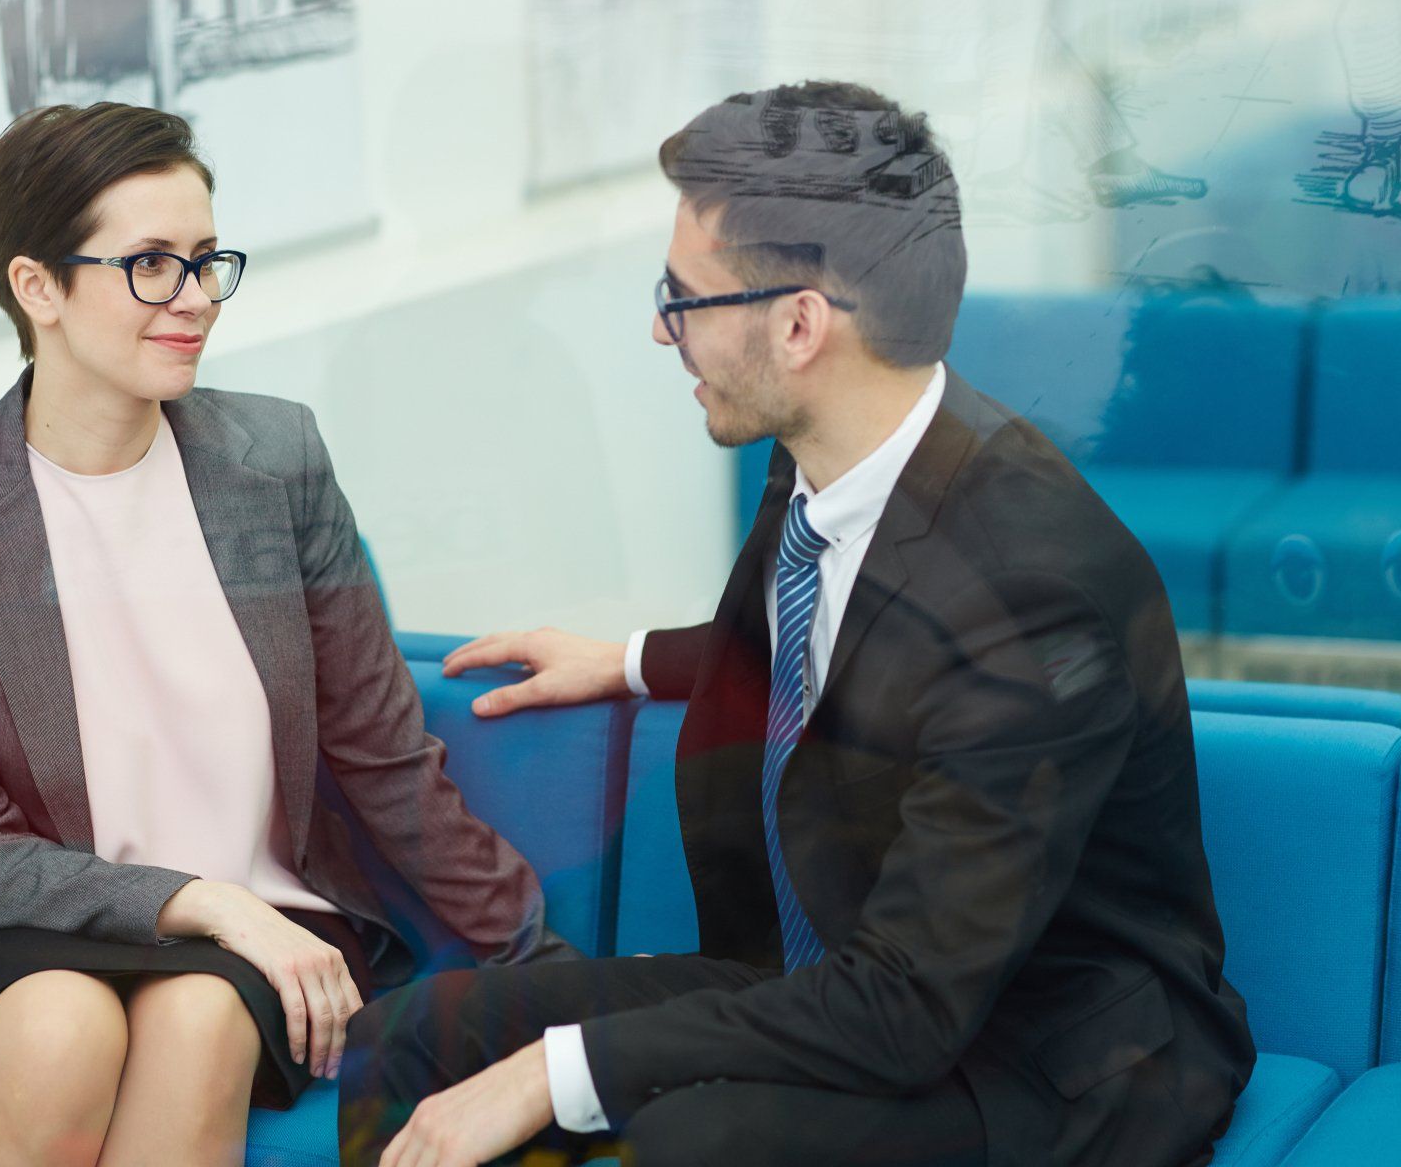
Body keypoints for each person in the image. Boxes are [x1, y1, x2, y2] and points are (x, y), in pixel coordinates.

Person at [336, 81, 1255, 1167]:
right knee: (405, 1039)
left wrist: (554, 1071)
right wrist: (633, 660)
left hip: (1042, 1046)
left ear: (800, 323)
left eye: (683, 298)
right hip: (836, 978)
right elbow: (849, 630)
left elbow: (909, 1005)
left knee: (682, 1138)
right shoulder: (826, 448)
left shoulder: (1032, 585)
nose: (659, 327)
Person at [0, 101, 572, 1167]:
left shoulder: (277, 461)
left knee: (198, 1015)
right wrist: (203, 901)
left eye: (204, 260)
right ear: (37, 287)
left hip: (252, 937)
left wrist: (547, 967)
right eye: (149, 265)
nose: (193, 300)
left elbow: (382, 751)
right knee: (59, 1027)